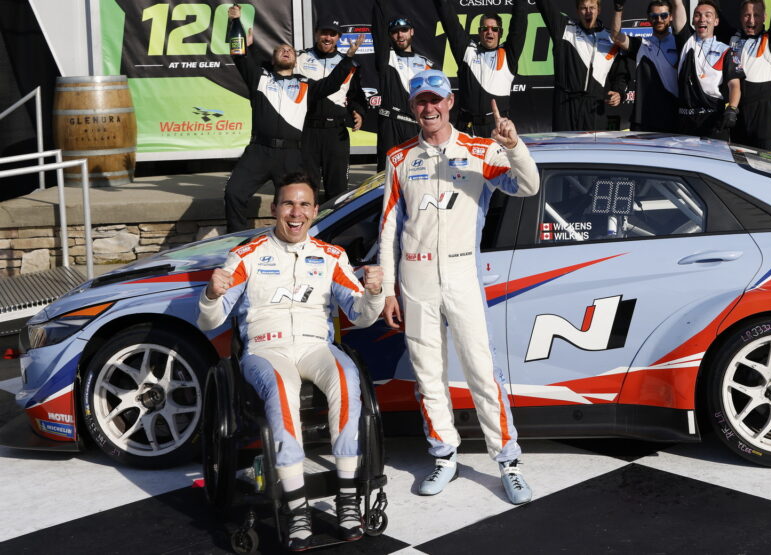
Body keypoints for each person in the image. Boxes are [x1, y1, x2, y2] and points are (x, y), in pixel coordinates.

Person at [378, 70, 540, 504]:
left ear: (449, 102)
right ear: (413, 108)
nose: (429, 108)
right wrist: (388, 290)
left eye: (436, 100)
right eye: (420, 102)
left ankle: (507, 460)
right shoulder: (398, 159)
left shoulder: (479, 150)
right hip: (415, 280)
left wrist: (512, 145)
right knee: (428, 376)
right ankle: (444, 455)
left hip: (463, 274)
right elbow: (388, 229)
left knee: (481, 371)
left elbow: (528, 185)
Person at [199, 173, 384, 551]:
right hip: (266, 350)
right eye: (288, 203)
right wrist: (210, 294)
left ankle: (347, 500)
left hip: (316, 346)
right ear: (274, 209)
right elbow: (211, 321)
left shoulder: (331, 256)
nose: (295, 212)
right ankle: (296, 508)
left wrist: (374, 294)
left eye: (303, 205)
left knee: (348, 379)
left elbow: (359, 314)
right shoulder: (247, 255)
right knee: (283, 390)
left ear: (315, 212)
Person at [223, 5, 354, 232]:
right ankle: (237, 242)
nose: (286, 51)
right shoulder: (259, 79)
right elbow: (238, 53)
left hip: (292, 155)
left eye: (290, 50)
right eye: (281, 49)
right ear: (272, 59)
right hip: (259, 150)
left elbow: (332, 84)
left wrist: (347, 60)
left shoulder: (306, 84)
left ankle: (290, 240)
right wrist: (235, 22)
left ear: (295, 60)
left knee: (294, 204)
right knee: (233, 193)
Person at [296, 16, 369, 201]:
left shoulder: (349, 63)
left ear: (338, 37)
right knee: (305, 187)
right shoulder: (300, 58)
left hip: (335, 132)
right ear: (316, 34)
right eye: (324, 33)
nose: (327, 38)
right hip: (307, 130)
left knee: (337, 191)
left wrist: (358, 111)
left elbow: (355, 95)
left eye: (332, 34)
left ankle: (333, 229)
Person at [432, 0, 528, 137]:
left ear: (500, 33)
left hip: (497, 127)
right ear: (479, 32)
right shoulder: (467, 51)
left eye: (494, 29)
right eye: (485, 29)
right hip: (467, 127)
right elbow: (449, 21)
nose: (490, 32)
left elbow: (519, 25)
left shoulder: (508, 54)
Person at [535, 0, 629, 131]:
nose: (588, 12)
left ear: (599, 10)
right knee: (563, 149)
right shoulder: (564, 28)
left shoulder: (610, 39)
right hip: (565, 103)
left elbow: (620, 74)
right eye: (583, 8)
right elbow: (545, 5)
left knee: (592, 150)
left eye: (592, 8)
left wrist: (619, 92)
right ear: (578, 11)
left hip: (594, 105)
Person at [372, 0, 434, 171]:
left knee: (418, 174)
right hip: (390, 124)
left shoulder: (426, 65)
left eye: (404, 30)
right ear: (390, 35)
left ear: (412, 31)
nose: (400, 35)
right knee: (386, 177)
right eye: (395, 32)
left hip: (415, 126)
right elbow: (377, 28)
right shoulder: (387, 58)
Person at [729, 0, 771, 152]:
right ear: (740, 17)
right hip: (739, 125)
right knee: (738, 173)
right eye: (747, 15)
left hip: (766, 126)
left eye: (756, 15)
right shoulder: (732, 39)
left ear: (765, 17)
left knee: (770, 173)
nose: (751, 20)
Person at [612, 0, 687, 132]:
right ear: (648, 18)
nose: (659, 19)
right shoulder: (642, 44)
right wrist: (618, 9)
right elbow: (616, 37)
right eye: (654, 16)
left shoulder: (682, 43)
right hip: (643, 118)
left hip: (673, 118)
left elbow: (679, 8)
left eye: (664, 15)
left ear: (671, 17)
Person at [675, 0, 743, 140]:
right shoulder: (686, 41)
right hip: (684, 121)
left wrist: (732, 109)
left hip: (713, 121)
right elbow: (677, 5)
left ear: (716, 21)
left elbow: (734, 85)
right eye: (698, 15)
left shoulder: (725, 50)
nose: (702, 19)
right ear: (693, 20)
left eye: (708, 15)